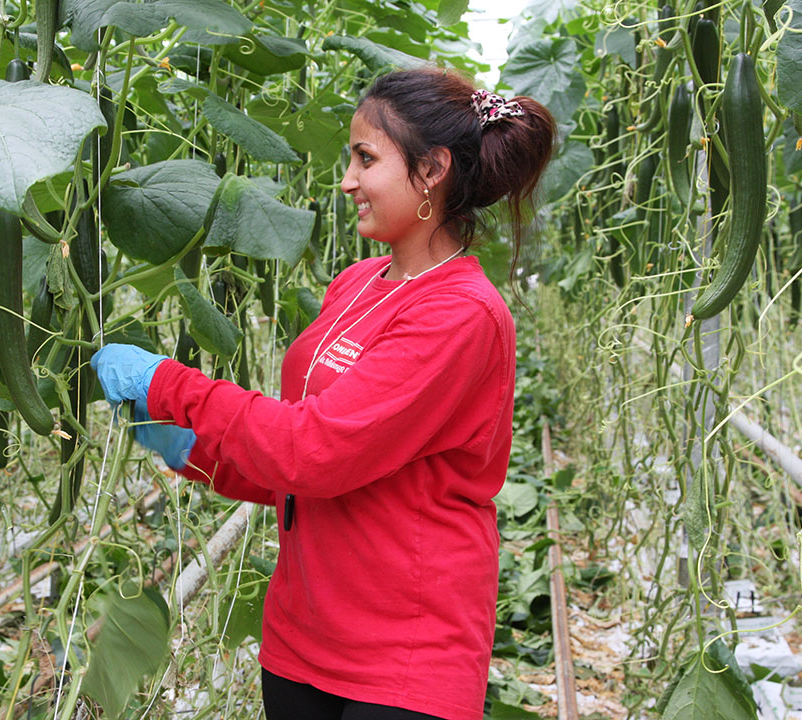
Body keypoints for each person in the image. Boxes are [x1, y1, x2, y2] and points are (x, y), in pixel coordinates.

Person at [91, 67, 555, 720]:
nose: (347, 181)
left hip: (405, 657)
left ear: (432, 171)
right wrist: (197, 452)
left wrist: (168, 383)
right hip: (302, 636)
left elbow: (316, 449)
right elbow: (305, 447)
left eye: (366, 158)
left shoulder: (461, 314)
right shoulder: (358, 284)